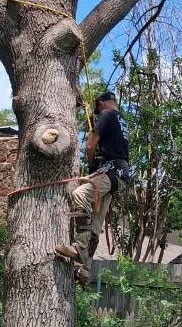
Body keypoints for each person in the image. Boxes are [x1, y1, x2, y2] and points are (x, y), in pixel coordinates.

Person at [55, 91, 129, 283]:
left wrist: (92, 165)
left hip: (110, 170)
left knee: (80, 195)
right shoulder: (122, 120)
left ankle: (79, 248)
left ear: (102, 103)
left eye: (97, 110)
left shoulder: (107, 114)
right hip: (120, 176)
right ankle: (85, 270)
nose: (97, 114)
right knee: (96, 223)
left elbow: (90, 146)